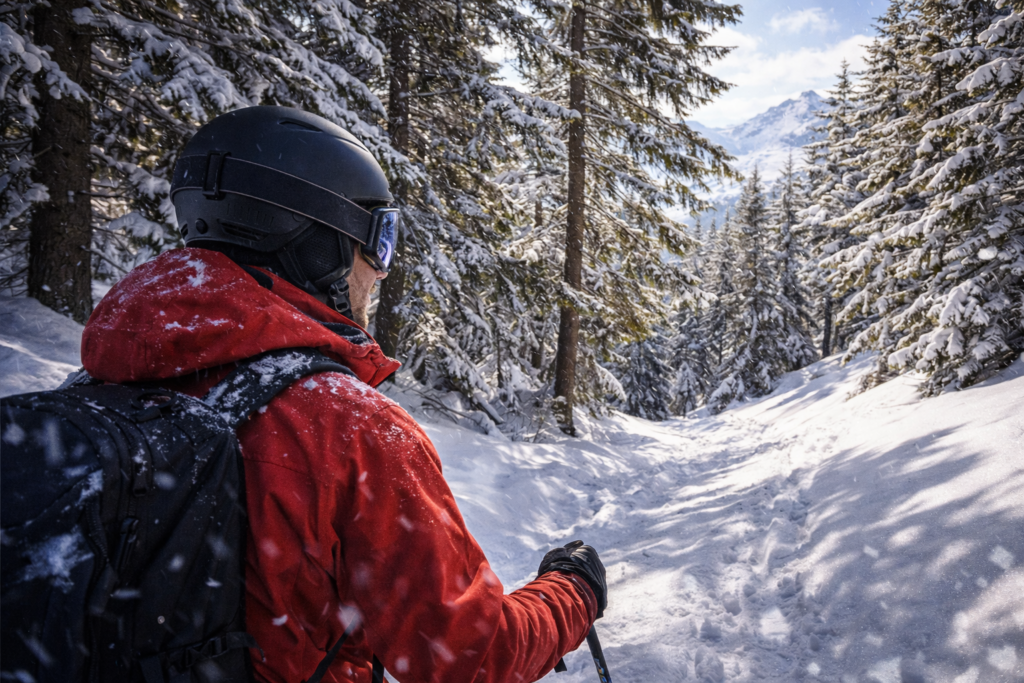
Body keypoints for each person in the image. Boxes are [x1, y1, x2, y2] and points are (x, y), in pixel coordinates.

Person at [80, 105, 607, 683]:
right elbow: (471, 657)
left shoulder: (95, 390)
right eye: (378, 242)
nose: (379, 273)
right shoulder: (345, 428)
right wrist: (572, 592)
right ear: (318, 245)